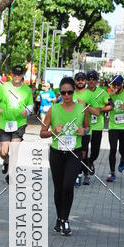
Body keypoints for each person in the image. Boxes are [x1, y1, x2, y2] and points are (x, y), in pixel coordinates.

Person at [40, 77, 90, 236]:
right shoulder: (53, 109)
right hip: (57, 153)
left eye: (69, 92)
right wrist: (53, 131)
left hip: (74, 153)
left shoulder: (82, 108)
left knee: (68, 186)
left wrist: (84, 131)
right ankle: (59, 218)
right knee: (59, 188)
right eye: (63, 93)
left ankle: (65, 219)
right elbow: (42, 133)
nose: (67, 95)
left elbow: (87, 127)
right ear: (59, 93)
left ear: (74, 91)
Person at [0, 65, 34, 182]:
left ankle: (10, 175)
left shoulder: (27, 90)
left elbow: (30, 105)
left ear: (22, 75)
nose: (17, 77)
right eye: (15, 74)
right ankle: (6, 160)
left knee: (15, 150)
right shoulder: (4, 87)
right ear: (12, 74)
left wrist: (27, 111)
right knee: (3, 152)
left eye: (19, 75)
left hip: (19, 123)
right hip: (4, 122)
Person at [79, 70, 109, 184]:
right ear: (86, 81)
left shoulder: (102, 92)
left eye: (94, 79)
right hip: (85, 127)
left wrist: (100, 109)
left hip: (97, 127)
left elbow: (110, 106)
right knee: (84, 151)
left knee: (95, 153)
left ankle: (90, 162)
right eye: (89, 79)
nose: (91, 81)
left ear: (97, 81)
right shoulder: (83, 92)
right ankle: (85, 174)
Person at [106, 75, 124, 182]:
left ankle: (123, 158)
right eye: (114, 84)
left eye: (118, 84)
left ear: (122, 84)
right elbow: (107, 106)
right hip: (113, 126)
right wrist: (109, 98)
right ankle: (112, 173)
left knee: (122, 150)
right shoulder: (109, 95)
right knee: (113, 149)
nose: (115, 86)